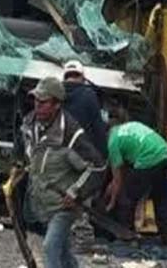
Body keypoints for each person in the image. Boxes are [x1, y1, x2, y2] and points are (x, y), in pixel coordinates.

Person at [15, 76, 105, 268]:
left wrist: (77, 192)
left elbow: (98, 167)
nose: (37, 106)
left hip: (64, 203)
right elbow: (22, 150)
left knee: (50, 248)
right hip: (43, 202)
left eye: (43, 102)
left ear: (56, 104)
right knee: (63, 252)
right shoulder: (29, 123)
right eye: (36, 100)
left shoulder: (71, 133)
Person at [104, 119, 167, 244]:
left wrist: (111, 202)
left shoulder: (112, 142)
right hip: (165, 153)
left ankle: (127, 236)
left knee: (127, 199)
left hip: (148, 159)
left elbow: (117, 181)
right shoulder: (129, 126)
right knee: (159, 199)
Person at [62, 60, 108, 158]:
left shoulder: (55, 94)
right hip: (82, 155)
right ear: (83, 77)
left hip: (58, 154)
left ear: (64, 77)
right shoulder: (89, 95)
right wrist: (103, 156)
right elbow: (98, 129)